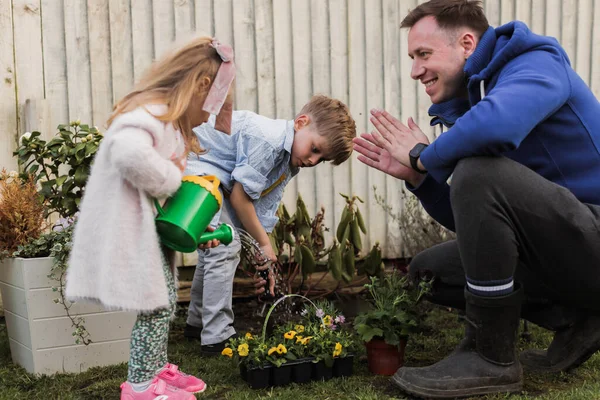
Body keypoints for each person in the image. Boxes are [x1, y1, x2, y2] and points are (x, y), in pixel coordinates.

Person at [353, 0, 600, 398]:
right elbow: (481, 228)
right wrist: (420, 179)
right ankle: (579, 321)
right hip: (571, 250)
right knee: (430, 271)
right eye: (412, 57)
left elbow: (495, 133)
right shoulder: (475, 104)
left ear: (467, 43)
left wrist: (422, 154)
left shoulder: (536, 64)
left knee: (477, 170)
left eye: (423, 54)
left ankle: (491, 358)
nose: (415, 70)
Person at [65, 36, 236, 399]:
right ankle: (141, 386)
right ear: (201, 86)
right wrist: (172, 180)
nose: (209, 116)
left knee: (166, 299)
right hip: (128, 229)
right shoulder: (150, 114)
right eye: (211, 107)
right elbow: (128, 154)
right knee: (156, 306)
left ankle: (156, 370)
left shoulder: (168, 122)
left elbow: (165, 192)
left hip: (149, 231)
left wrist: (194, 218)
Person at [183, 95, 357, 355]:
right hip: (194, 163)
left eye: (321, 159)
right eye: (315, 149)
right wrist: (264, 245)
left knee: (217, 247)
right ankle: (217, 336)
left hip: (217, 178)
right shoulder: (269, 140)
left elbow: (260, 213)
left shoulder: (288, 164)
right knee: (224, 247)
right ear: (301, 122)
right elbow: (241, 199)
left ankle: (196, 324)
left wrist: (265, 261)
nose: (313, 160)